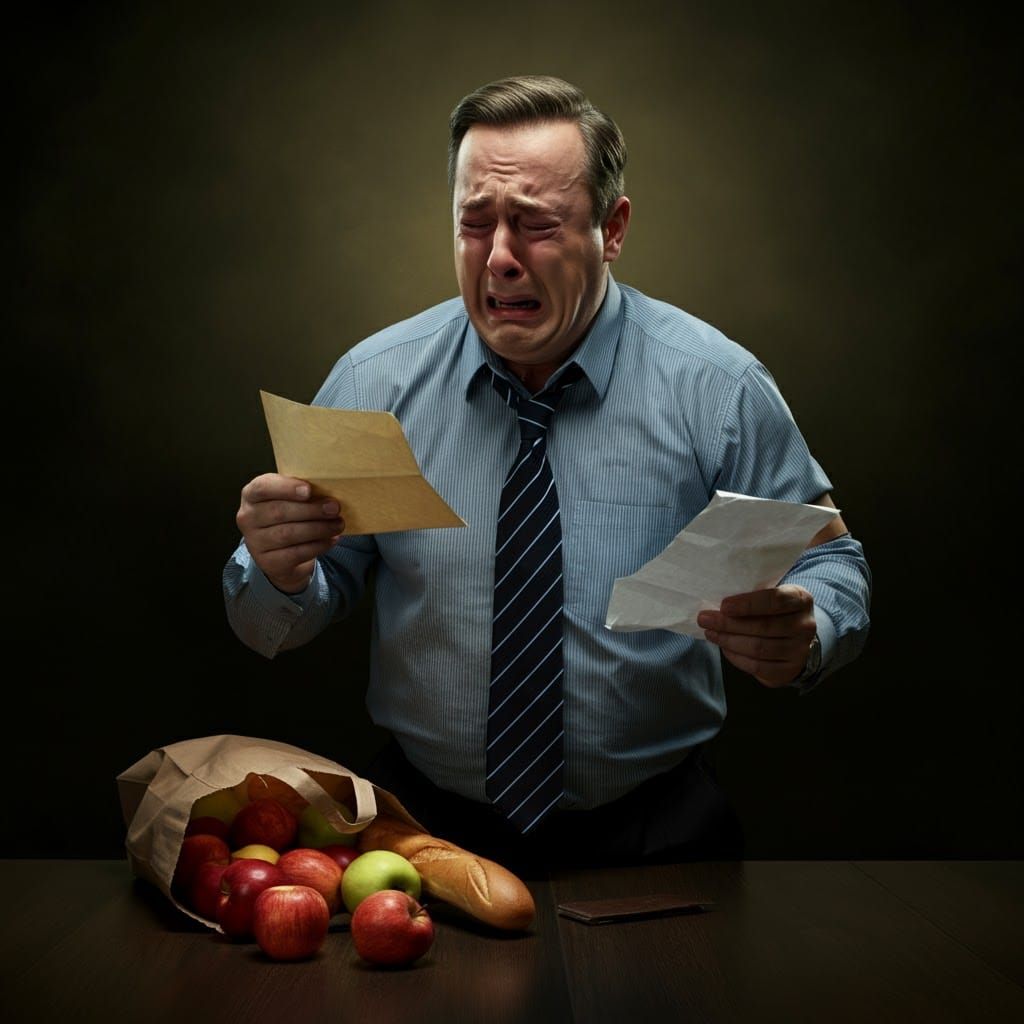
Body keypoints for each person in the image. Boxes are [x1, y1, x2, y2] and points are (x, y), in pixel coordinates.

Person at [223, 75, 871, 873]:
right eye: (474, 224)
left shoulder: (720, 388)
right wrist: (278, 572)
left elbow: (832, 558)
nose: (499, 258)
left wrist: (812, 631)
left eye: (534, 224)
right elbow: (273, 618)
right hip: (420, 836)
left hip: (659, 836)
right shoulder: (373, 384)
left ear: (613, 228)